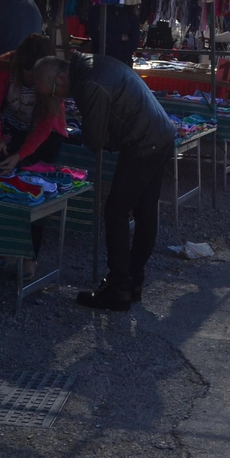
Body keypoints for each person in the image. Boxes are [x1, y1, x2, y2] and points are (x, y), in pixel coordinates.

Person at [71, 48, 177, 310]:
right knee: (144, 210)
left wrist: (90, 131)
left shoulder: (91, 81)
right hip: (159, 136)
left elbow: (94, 139)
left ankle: (119, 284)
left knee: (117, 211)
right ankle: (133, 280)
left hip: (144, 143)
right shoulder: (97, 67)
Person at [0, 33, 69, 173]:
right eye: (26, 73)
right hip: (11, 124)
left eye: (34, 76)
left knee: (33, 172)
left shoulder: (54, 78)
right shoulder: (3, 65)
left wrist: (19, 155)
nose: (29, 79)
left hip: (45, 135)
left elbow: (44, 126)